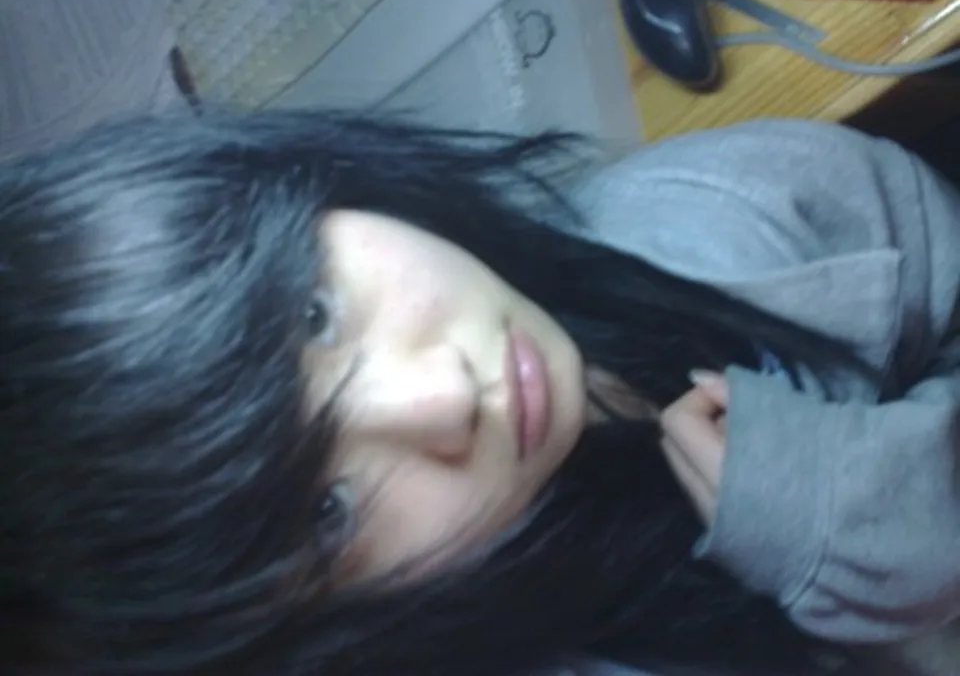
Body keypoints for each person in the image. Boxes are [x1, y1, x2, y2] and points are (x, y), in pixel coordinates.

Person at [0, 110, 956, 676]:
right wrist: (884, 554)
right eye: (328, 514)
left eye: (314, 317)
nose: (445, 398)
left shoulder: (724, 209)